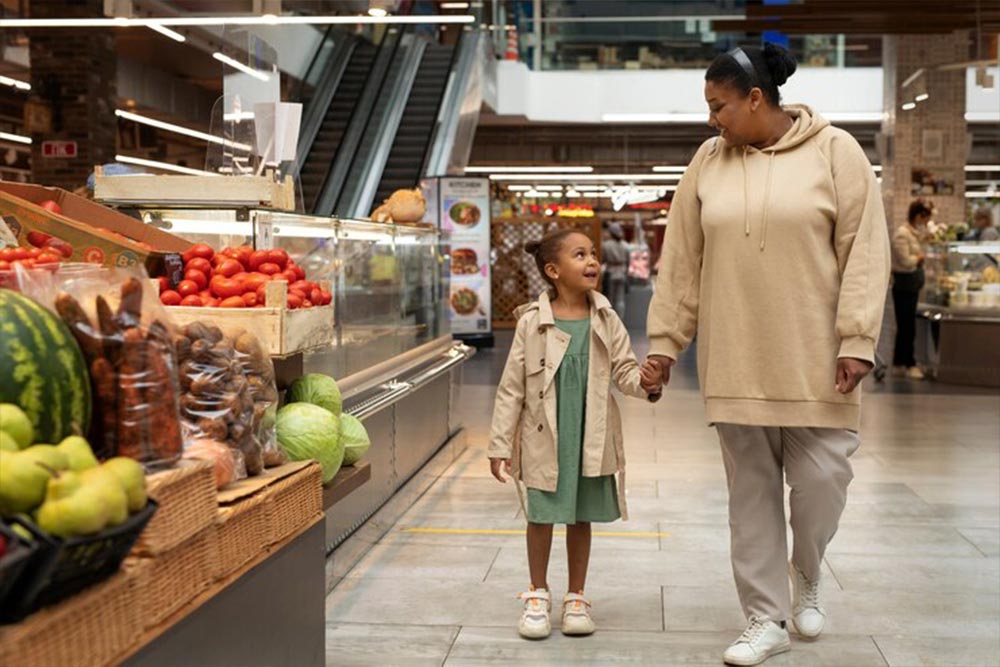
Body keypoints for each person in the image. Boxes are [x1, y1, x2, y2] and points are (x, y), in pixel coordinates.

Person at [643, 43, 890, 666]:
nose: (711, 120)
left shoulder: (837, 152)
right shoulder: (707, 161)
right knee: (750, 494)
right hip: (735, 356)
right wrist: (666, 343)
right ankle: (765, 618)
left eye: (718, 106)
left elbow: (865, 251)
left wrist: (858, 339)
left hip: (818, 358)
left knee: (823, 481)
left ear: (757, 99)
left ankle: (806, 569)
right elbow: (682, 260)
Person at [487, 229, 662, 640]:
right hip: (545, 434)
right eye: (579, 254)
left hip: (590, 433)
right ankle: (537, 593)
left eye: (593, 254)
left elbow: (624, 372)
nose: (592, 261)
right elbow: (512, 387)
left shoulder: (606, 318)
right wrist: (498, 443)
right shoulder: (532, 323)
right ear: (553, 270)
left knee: (581, 516)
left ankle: (577, 597)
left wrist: (648, 385)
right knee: (542, 515)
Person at [891, 201, 931, 380]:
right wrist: (919, 258)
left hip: (911, 286)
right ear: (918, 215)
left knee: (907, 326)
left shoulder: (913, 233)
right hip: (904, 286)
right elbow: (906, 261)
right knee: (906, 326)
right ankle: (908, 363)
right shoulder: (902, 234)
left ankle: (900, 362)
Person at [602, 222, 629, 317]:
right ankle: (620, 319)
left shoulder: (606, 245)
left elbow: (603, 259)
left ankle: (610, 319)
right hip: (622, 272)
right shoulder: (626, 245)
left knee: (610, 298)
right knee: (620, 299)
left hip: (610, 272)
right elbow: (628, 261)